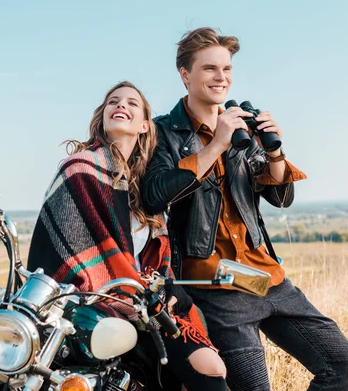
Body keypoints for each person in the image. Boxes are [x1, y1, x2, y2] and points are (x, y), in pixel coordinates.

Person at [141, 27, 348, 391]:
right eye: (210, 68)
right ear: (185, 74)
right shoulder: (164, 133)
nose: (221, 77)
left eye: (227, 69)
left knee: (343, 366)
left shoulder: (241, 127)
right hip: (216, 287)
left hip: (268, 278)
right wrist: (215, 145)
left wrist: (274, 150)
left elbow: (280, 197)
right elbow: (154, 195)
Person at [26, 81, 228, 390]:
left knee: (211, 366)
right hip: (90, 304)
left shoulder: (146, 186)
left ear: (145, 125)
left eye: (132, 103)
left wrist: (166, 286)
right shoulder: (79, 170)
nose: (121, 106)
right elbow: (60, 253)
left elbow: (156, 260)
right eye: (113, 102)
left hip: (146, 303)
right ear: (103, 117)